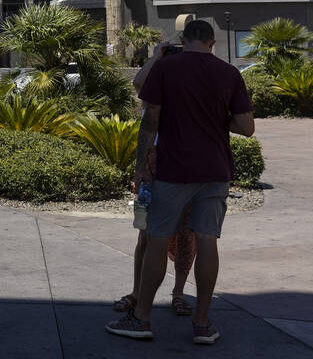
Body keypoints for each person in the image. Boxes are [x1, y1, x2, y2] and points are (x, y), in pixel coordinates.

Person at [106, 19, 254, 346]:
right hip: (215, 171)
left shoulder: (167, 68)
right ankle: (202, 324)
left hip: (173, 170)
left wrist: (141, 167)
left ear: (183, 40)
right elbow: (246, 126)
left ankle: (142, 318)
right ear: (213, 43)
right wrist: (215, 119)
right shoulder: (229, 73)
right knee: (207, 242)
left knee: (157, 240)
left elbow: (150, 120)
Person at [114, 42, 199, 318]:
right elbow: (138, 83)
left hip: (184, 167)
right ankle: (138, 292)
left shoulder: (190, 90)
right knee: (146, 236)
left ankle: (178, 293)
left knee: (186, 236)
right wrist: (156, 57)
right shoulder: (154, 88)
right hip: (155, 167)